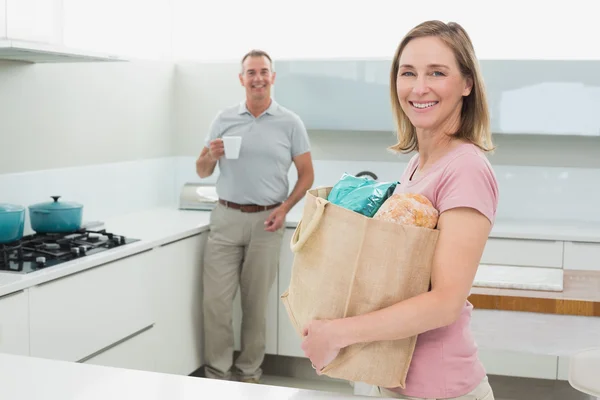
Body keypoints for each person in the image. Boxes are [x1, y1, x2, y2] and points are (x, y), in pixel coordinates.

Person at [300, 20, 499, 400]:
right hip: (396, 380)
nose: (419, 87)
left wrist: (337, 333)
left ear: (467, 84)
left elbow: (444, 303)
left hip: (440, 389)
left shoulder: (466, 169)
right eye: (408, 73)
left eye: (437, 73)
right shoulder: (418, 166)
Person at [196, 49, 314, 383]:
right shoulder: (223, 119)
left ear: (272, 77)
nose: (257, 78)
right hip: (225, 218)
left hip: (267, 222)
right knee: (215, 304)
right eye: (251, 72)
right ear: (241, 79)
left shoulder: (290, 123)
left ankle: (248, 374)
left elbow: (306, 174)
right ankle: (217, 376)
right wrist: (209, 154)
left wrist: (284, 209)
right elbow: (202, 170)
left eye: (263, 71)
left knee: (255, 304)